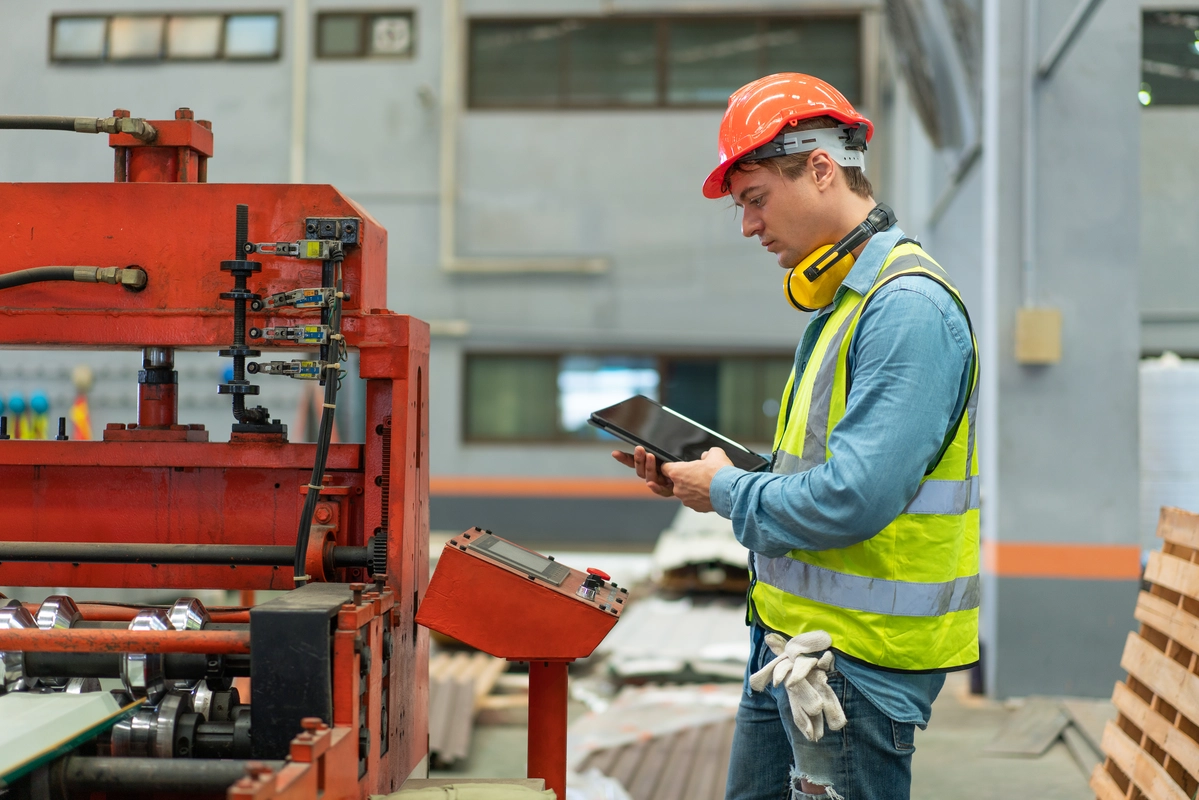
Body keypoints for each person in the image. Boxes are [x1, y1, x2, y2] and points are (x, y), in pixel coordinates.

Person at [612, 73, 979, 800]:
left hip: (854, 667)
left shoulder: (903, 311)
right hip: (791, 644)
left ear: (818, 168)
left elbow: (853, 498)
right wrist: (717, 483)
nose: (748, 226)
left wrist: (726, 487)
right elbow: (818, 470)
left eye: (754, 199)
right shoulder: (846, 306)